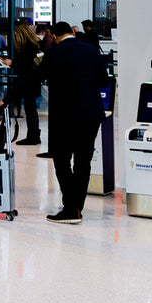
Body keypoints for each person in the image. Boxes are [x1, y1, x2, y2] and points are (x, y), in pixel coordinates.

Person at [33, 21, 109, 224]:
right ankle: (77, 207)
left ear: (55, 36)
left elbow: (39, 77)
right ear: (72, 32)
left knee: (62, 160)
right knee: (83, 162)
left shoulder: (55, 53)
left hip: (65, 116)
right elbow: (104, 80)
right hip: (91, 114)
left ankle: (70, 208)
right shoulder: (91, 50)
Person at [0, 21, 43, 147]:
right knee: (31, 109)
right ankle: (33, 135)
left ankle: (33, 136)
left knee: (30, 109)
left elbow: (25, 68)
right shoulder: (35, 46)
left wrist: (12, 63)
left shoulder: (27, 50)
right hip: (34, 81)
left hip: (28, 82)